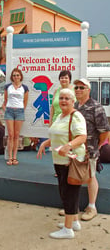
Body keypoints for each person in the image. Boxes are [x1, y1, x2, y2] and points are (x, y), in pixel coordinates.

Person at [37, 88, 87, 239]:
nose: (64, 101)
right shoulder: (60, 116)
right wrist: (44, 144)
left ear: (73, 101)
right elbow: (57, 137)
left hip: (70, 161)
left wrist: (69, 146)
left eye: (67, 98)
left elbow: (82, 137)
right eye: (62, 98)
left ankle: (68, 229)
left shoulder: (76, 116)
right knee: (66, 191)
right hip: (59, 160)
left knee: (69, 193)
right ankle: (74, 221)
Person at [73, 78, 110, 221]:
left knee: (90, 177)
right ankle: (73, 207)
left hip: (90, 149)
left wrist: (97, 146)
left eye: (82, 88)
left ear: (88, 90)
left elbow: (105, 131)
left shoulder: (96, 107)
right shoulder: (75, 105)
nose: (78, 90)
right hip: (75, 149)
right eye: (76, 87)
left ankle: (92, 207)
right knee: (75, 177)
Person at [2, 68, 29, 165]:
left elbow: (25, 101)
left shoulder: (24, 88)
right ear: (12, 77)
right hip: (9, 111)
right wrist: (6, 109)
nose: (16, 77)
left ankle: (15, 157)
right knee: (10, 135)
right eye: (14, 75)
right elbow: (5, 100)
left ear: (21, 76)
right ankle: (9, 157)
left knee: (17, 135)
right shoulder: (8, 87)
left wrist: (21, 109)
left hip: (19, 111)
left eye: (18, 75)